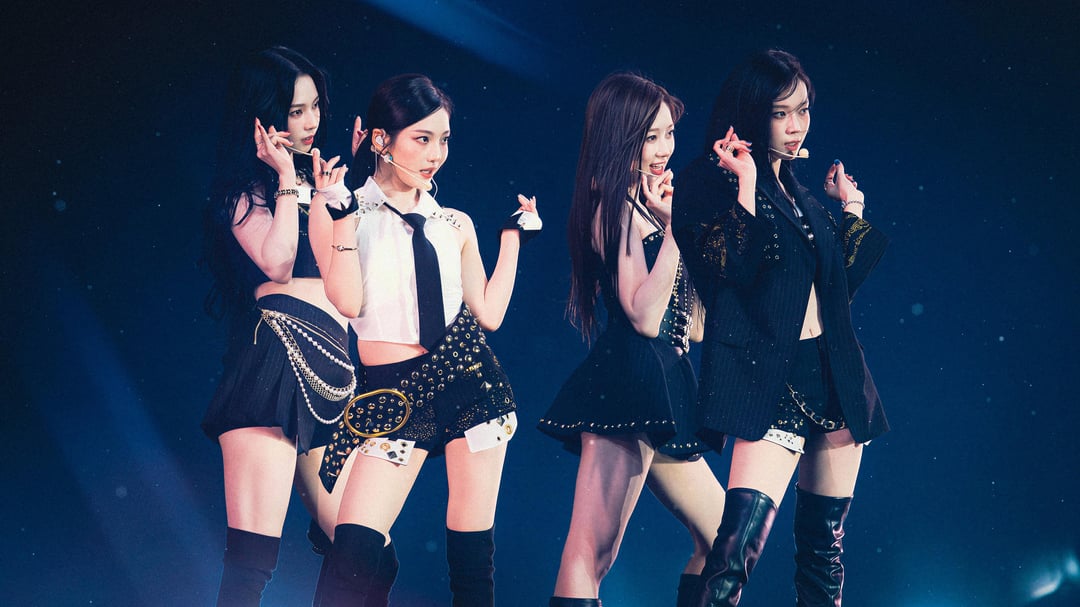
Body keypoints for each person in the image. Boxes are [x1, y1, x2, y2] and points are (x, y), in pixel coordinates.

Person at [305, 73, 541, 606]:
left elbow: (489, 314)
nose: (436, 154)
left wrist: (512, 238)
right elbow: (347, 302)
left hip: (472, 382)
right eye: (422, 138)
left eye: (444, 140)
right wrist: (340, 217)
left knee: (472, 565)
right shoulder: (341, 207)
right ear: (381, 139)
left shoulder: (454, 222)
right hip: (394, 396)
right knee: (352, 555)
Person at [671, 49, 890, 606]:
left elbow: (834, 289)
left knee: (823, 555)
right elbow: (733, 269)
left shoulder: (798, 190)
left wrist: (852, 210)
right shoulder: (706, 182)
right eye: (781, 113)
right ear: (750, 112)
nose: (797, 126)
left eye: (804, 110)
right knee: (733, 555)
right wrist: (745, 184)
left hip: (835, 377)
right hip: (769, 380)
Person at [538, 72, 726, 607]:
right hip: (629, 381)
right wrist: (675, 231)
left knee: (725, 543)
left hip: (664, 382)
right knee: (590, 554)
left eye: (669, 134)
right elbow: (643, 315)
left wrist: (688, 231)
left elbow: (692, 325)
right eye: (651, 137)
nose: (665, 148)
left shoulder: (648, 207)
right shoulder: (614, 207)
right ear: (621, 138)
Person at [200, 46, 355, 605]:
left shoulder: (326, 185)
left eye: (315, 106)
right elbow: (279, 262)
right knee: (252, 563)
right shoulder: (242, 193)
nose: (311, 121)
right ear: (263, 118)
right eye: (295, 110)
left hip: (336, 375)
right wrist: (287, 176)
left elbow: (357, 285)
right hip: (274, 366)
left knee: (366, 556)